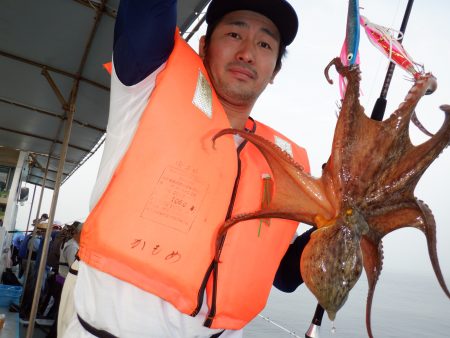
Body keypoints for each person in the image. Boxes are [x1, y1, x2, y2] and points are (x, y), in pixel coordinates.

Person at [65, 0, 314, 337]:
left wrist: (347, 225)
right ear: (203, 46)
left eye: (265, 44)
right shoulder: (146, 87)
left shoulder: (281, 167)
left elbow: (283, 275)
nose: (247, 52)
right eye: (234, 33)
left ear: (274, 72)